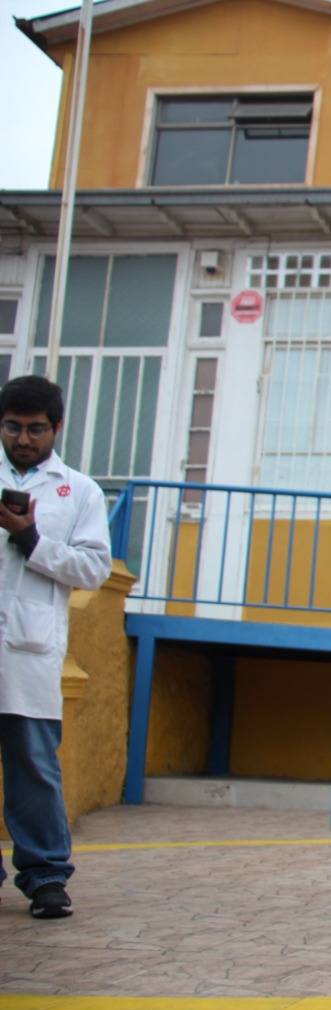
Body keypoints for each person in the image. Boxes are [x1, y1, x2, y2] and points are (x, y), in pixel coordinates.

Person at [0, 375, 112, 920]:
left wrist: (31, 540)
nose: (24, 439)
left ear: (57, 428)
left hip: (29, 651)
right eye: (14, 427)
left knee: (34, 768)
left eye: (36, 429)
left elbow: (93, 568)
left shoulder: (79, 490)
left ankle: (45, 875)